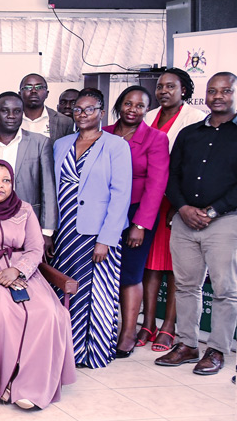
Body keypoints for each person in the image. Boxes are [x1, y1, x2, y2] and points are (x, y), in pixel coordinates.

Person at [0, 160, 76, 409]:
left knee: (48, 312)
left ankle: (30, 385)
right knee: (0, 312)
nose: (0, 185)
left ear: (13, 184)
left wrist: (17, 270)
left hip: (22, 271)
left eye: (6, 180)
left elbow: (35, 248)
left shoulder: (26, 210)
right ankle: (7, 379)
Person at [157, 71, 237, 377]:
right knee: (187, 286)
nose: (218, 96)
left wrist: (213, 211)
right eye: (213, 91)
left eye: (226, 91)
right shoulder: (189, 134)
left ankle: (216, 349)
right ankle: (187, 344)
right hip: (185, 220)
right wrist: (183, 207)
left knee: (224, 289)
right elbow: (171, 176)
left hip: (225, 221)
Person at [52, 88, 132, 369]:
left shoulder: (116, 146)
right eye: (77, 109)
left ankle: (93, 352)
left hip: (98, 234)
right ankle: (67, 351)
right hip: (66, 231)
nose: (82, 114)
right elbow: (53, 189)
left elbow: (121, 194)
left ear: (101, 111)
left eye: (89, 109)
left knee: (97, 292)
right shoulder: (61, 144)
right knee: (66, 289)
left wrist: (107, 239)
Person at [141, 68, 205, 352]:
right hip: (148, 199)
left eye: (170, 86)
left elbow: (194, 165)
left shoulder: (195, 119)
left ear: (185, 91)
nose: (163, 91)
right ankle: (148, 322)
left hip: (177, 201)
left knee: (175, 266)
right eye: (160, 86)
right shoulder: (146, 116)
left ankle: (169, 325)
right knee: (149, 264)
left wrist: (179, 205)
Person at [104, 86, 170, 358]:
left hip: (135, 214)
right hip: (104, 212)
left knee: (130, 273)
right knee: (105, 272)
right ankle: (102, 328)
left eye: (140, 105)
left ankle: (128, 332)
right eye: (128, 104)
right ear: (119, 105)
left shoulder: (156, 138)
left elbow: (157, 185)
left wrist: (140, 225)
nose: (133, 109)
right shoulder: (104, 132)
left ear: (147, 109)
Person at [0, 91, 56, 251]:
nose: (11, 115)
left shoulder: (40, 143)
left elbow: (48, 188)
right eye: (5, 110)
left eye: (17, 111)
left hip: (29, 222)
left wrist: (46, 231)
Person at [19, 74, 75, 143]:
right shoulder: (9, 119)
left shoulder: (64, 121)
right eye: (28, 87)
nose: (33, 91)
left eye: (39, 87)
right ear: (20, 94)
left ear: (47, 94)